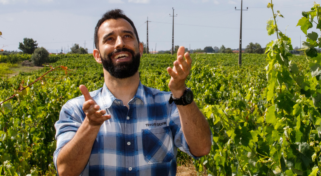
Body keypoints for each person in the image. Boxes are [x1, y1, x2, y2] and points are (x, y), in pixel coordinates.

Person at [53, 9, 211, 176]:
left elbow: (202, 148)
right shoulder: (76, 110)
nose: (120, 43)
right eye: (110, 39)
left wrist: (180, 92)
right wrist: (90, 125)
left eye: (127, 36)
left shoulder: (169, 104)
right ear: (97, 55)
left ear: (140, 49)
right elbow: (65, 170)